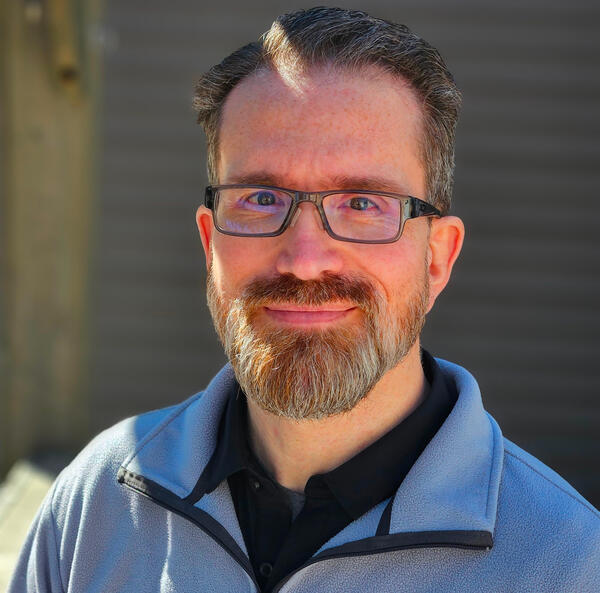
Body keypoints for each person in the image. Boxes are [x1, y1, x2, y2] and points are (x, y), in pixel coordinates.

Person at [9, 7, 599, 593]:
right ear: (210, 244)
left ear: (437, 258)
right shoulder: (96, 506)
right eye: (261, 198)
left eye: (363, 203)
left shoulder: (570, 564)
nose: (305, 259)